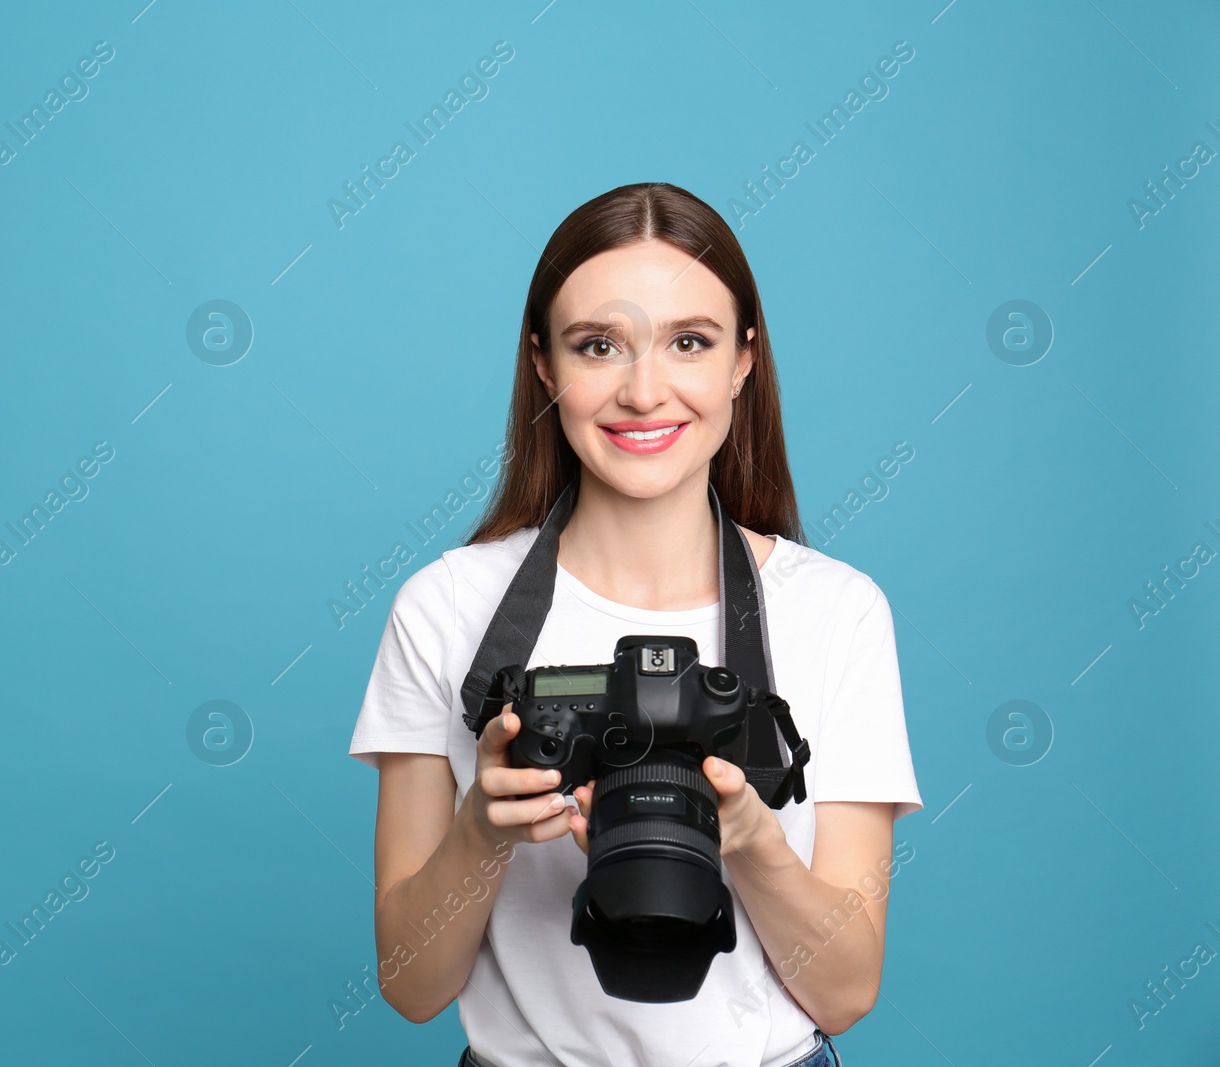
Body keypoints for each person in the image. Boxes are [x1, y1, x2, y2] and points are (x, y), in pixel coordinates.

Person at [347, 182, 922, 1067]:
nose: (644, 391)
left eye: (689, 341)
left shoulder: (838, 612)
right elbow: (411, 988)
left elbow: (845, 993)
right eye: (599, 346)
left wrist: (751, 835)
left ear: (743, 360)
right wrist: (482, 828)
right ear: (543, 363)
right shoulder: (448, 606)